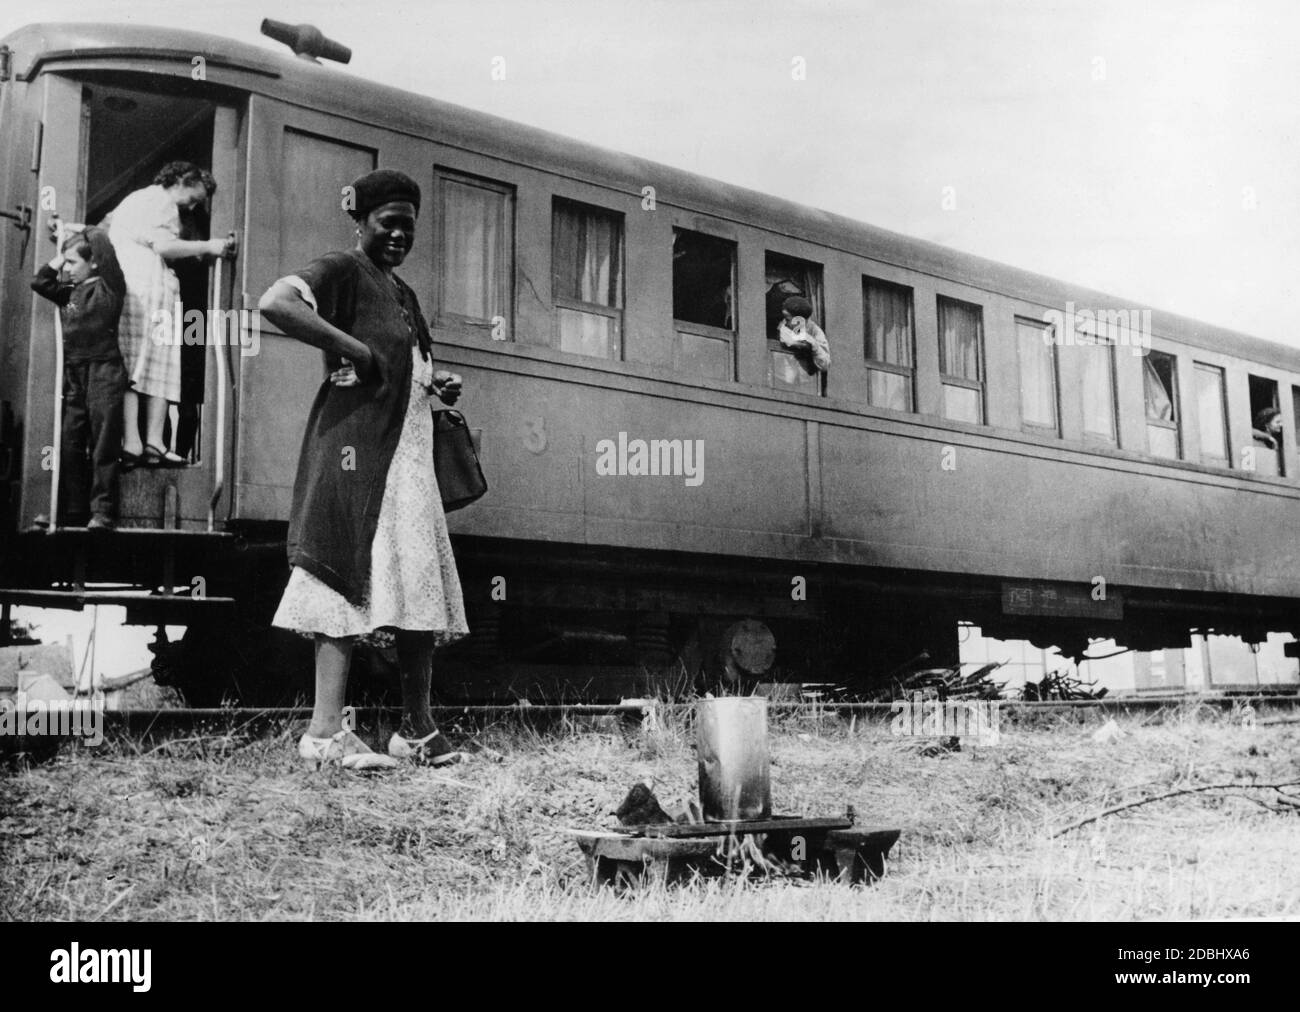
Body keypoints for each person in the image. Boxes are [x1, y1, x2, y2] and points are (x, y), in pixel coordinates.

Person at [258, 168, 469, 771]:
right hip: (356, 453)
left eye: (409, 226)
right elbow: (277, 302)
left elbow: (404, 367)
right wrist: (352, 349)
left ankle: (417, 732)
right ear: (361, 220)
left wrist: (435, 382)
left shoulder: (402, 291)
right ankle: (325, 736)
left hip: (405, 458)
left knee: (416, 589)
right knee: (342, 576)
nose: (400, 235)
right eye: (388, 223)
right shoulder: (344, 268)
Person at [103, 162, 236, 467]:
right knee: (157, 366)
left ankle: (137, 442)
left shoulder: (136, 199)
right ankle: (151, 442)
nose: (193, 204)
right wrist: (210, 246)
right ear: (179, 181)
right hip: (147, 285)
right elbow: (164, 245)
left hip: (129, 283)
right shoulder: (162, 202)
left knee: (132, 366)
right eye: (194, 196)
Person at [30, 227, 127, 529]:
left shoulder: (110, 287)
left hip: (104, 371)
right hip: (76, 373)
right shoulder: (71, 297)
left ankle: (103, 512)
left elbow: (103, 247)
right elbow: (40, 282)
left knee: (103, 442)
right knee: (71, 441)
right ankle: (73, 509)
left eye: (73, 263)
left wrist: (83, 231)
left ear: (94, 262)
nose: (67, 269)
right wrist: (62, 256)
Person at [776, 295, 831, 374]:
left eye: (787, 319)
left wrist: (814, 346)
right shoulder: (784, 325)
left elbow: (825, 365)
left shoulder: (816, 332)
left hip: (806, 380)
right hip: (782, 375)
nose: (784, 321)